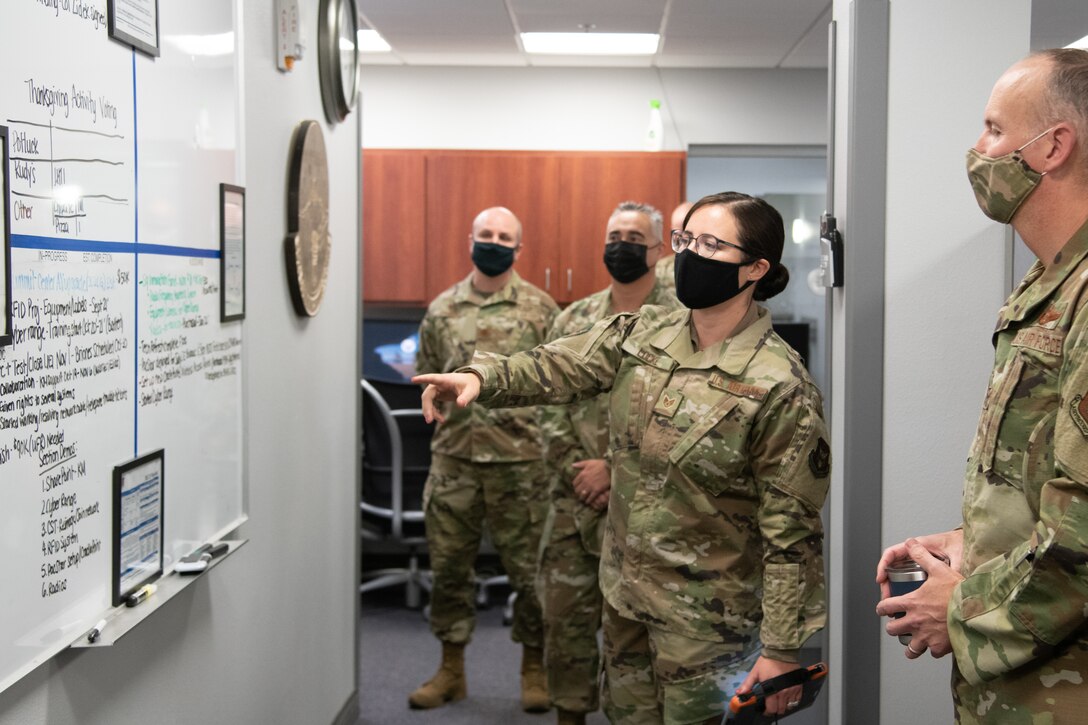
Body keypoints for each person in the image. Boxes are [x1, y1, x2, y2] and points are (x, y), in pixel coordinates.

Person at [415, 191, 830, 725]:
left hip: (707, 623)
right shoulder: (643, 332)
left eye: (710, 244)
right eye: (684, 241)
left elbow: (790, 533)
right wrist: (479, 376)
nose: (689, 255)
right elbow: (556, 365)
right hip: (626, 600)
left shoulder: (780, 384)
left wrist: (781, 648)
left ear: (755, 268)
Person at [875, 48, 1088, 724]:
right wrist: (971, 542)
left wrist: (960, 607)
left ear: (1053, 146)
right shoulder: (1048, 281)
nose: (978, 148)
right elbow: (1046, 479)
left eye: (994, 129)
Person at [408, 206, 559, 712]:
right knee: (449, 571)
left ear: (519, 249)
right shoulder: (442, 308)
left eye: (504, 237)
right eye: (486, 234)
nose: (493, 242)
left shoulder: (542, 310)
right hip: (455, 462)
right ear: (469, 238)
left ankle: (533, 670)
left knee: (532, 575)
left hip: (523, 464)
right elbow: (427, 375)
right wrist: (430, 395)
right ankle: (451, 670)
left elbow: (560, 382)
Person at [538, 200, 681, 725]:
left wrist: (613, 470)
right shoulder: (573, 318)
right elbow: (547, 403)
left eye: (634, 235)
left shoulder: (681, 318)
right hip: (574, 498)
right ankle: (569, 715)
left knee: (636, 636)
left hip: (648, 510)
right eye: (614, 234)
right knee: (565, 621)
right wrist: (579, 469)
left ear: (658, 248)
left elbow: (683, 416)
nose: (622, 244)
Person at [655, 201, 692, 294]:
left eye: (689, 234)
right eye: (678, 234)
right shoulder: (660, 269)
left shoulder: (709, 264)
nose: (684, 240)